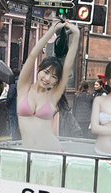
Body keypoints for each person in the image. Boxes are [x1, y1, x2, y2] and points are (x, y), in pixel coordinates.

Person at [16, 19, 80, 152]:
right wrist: (52, 30)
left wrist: (76, 35)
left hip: (52, 152)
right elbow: (33, 55)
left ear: (56, 81)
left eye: (54, 77)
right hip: (27, 153)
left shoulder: (53, 96)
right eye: (46, 72)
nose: (47, 79)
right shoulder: (24, 88)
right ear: (39, 69)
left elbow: (67, 67)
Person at [5, 71, 20, 142]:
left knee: (13, 123)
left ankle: (14, 138)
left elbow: (10, 96)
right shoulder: (22, 84)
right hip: (20, 107)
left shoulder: (13, 85)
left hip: (13, 107)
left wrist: (7, 104)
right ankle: (19, 138)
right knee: (18, 123)